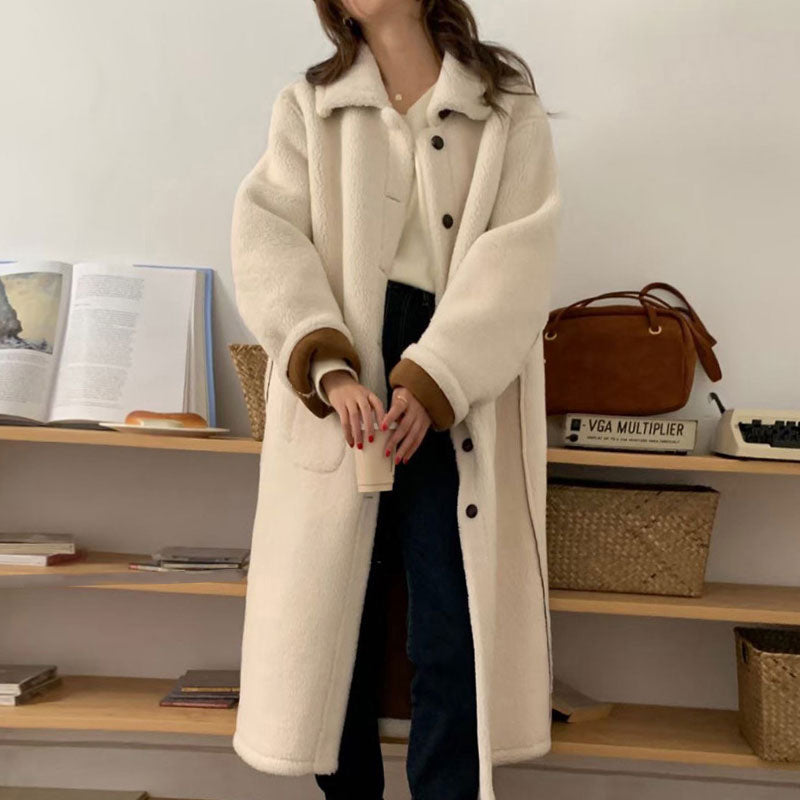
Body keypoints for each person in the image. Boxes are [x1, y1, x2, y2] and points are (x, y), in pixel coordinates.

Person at [229, 1, 561, 798]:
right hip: (344, 370)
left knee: (451, 624)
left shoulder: (504, 104)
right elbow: (267, 238)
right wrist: (330, 365)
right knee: (336, 622)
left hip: (458, 383)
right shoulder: (310, 106)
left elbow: (520, 255)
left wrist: (436, 375)